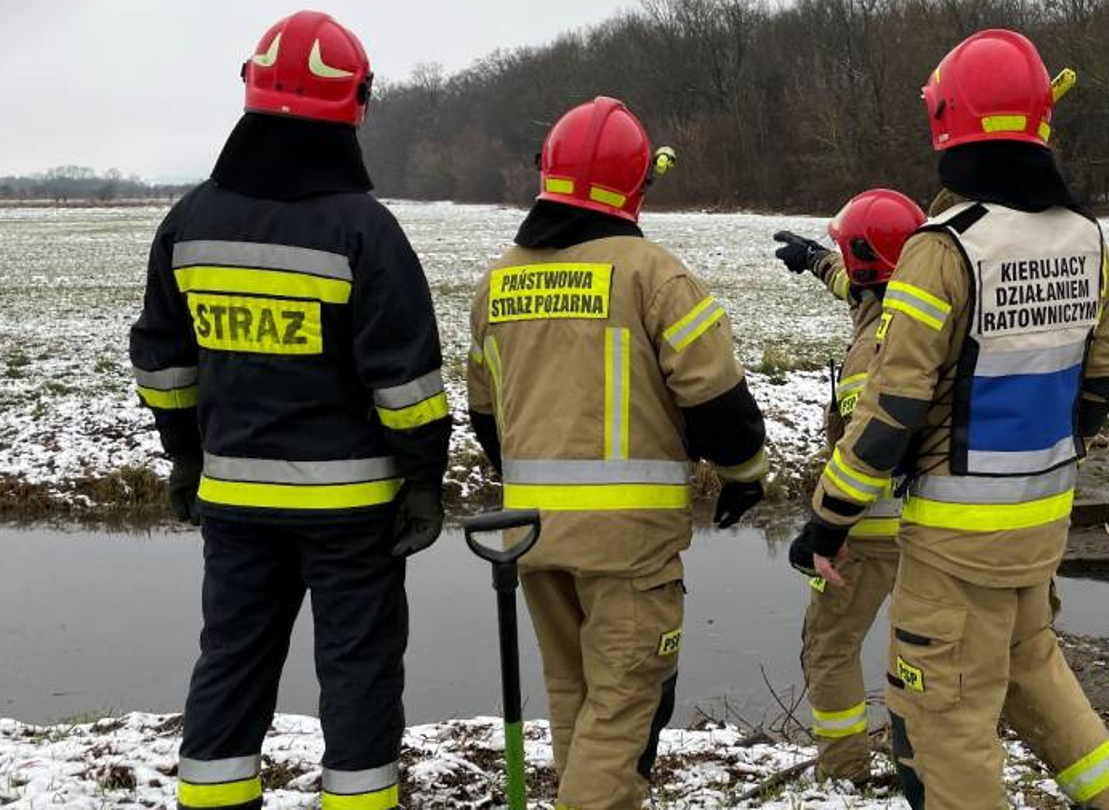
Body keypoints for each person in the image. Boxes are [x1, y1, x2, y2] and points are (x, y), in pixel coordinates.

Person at [785, 29, 1109, 809]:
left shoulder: (943, 249)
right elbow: (1105, 379)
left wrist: (829, 517)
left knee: (943, 726)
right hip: (1042, 526)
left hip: (955, 548)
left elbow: (893, 412)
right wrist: (1052, 455)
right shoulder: (1087, 238)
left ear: (947, 123)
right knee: (1041, 685)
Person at [129, 11, 448, 810]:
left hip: (235, 500)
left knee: (231, 664)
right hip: (352, 509)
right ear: (356, 105)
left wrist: (186, 453)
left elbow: (163, 363)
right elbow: (406, 383)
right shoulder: (364, 231)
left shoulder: (189, 221)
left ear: (251, 86)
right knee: (357, 673)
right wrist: (422, 480)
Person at [465, 96, 768, 809]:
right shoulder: (653, 275)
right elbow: (721, 406)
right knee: (627, 706)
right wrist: (745, 477)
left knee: (575, 696)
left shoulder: (497, 281)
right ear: (635, 184)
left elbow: (487, 418)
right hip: (628, 544)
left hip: (529, 534)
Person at [770, 188, 926, 782]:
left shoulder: (871, 356)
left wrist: (823, 530)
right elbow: (865, 288)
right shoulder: (924, 303)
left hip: (866, 532)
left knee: (830, 647)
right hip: (934, 527)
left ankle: (844, 769)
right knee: (925, 650)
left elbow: (870, 452)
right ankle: (933, 756)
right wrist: (815, 259)